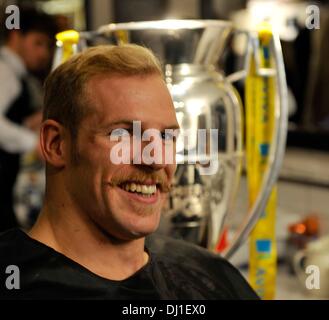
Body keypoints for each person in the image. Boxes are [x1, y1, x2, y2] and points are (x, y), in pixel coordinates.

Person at [0, 44, 259, 300]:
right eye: (125, 134)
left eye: (167, 136)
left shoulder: (210, 274)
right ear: (56, 145)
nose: (157, 159)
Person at [0, 7, 57, 232]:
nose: (44, 53)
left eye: (48, 46)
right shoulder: (4, 71)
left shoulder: (17, 75)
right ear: (15, 36)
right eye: (38, 43)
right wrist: (32, 142)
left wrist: (28, 124)